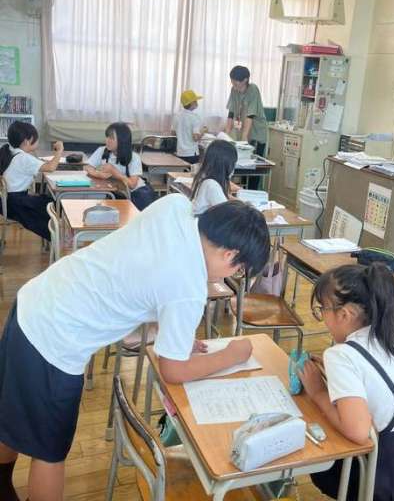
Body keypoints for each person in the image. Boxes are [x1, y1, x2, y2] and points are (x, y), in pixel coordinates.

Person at [0, 194, 270, 501]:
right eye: (238, 270)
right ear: (230, 254)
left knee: (9, 414)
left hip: (34, 301)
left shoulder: (174, 206)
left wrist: (169, 333)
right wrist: (230, 354)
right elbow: (173, 370)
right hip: (54, 340)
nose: (232, 276)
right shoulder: (188, 287)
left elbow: (141, 273)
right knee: (49, 451)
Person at [299, 263, 394, 501]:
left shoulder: (339, 355)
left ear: (345, 314)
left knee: (320, 454)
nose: (322, 317)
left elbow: (358, 432)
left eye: (322, 309)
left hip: (384, 477)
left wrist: (318, 392)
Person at [0, 120, 63, 241]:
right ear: (27, 141)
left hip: (5, 201)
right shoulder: (24, 158)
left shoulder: (8, 150)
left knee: (45, 201)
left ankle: (54, 236)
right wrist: (59, 151)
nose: (38, 142)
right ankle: (57, 238)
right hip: (16, 203)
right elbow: (51, 168)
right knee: (52, 204)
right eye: (36, 139)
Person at [85, 122, 156, 211]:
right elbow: (88, 167)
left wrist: (114, 172)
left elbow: (132, 185)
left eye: (112, 138)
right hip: (116, 192)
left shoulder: (134, 157)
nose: (107, 140)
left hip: (137, 195)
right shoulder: (102, 151)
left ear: (122, 140)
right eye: (107, 137)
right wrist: (98, 174)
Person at [191, 139, 238, 215]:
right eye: (233, 163)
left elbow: (224, 199)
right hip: (201, 221)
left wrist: (237, 201)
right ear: (224, 164)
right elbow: (227, 213)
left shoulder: (207, 178)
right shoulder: (212, 185)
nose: (234, 167)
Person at [173, 89, 206, 164]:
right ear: (192, 103)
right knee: (191, 171)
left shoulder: (177, 116)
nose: (197, 102)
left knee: (182, 171)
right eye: (195, 100)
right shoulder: (195, 117)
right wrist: (203, 131)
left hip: (180, 153)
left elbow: (173, 133)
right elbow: (195, 138)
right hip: (191, 153)